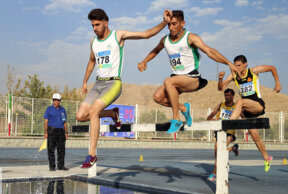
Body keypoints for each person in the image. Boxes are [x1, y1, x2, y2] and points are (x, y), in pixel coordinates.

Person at [76, 8, 172, 168]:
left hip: (113, 84)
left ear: (106, 23)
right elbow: (92, 61)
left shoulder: (118, 36)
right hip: (98, 84)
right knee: (80, 116)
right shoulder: (93, 42)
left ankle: (92, 155)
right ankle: (113, 113)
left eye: (97, 25)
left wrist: (164, 22)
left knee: (93, 112)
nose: (94, 28)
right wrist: (85, 81)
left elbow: (146, 34)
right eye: (92, 25)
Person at [137, 10, 239, 134]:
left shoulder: (190, 38)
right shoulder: (165, 40)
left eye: (174, 24)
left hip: (192, 77)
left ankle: (176, 120)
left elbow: (209, 51)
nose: (171, 27)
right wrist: (144, 61)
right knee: (157, 97)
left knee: (168, 81)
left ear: (182, 23)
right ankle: (184, 108)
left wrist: (228, 63)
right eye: (169, 24)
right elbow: (156, 50)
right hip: (177, 79)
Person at [218, 55, 281, 172]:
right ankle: (267, 157)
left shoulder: (253, 71)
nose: (236, 68)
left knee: (240, 101)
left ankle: (229, 123)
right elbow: (220, 88)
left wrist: (277, 83)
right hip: (246, 111)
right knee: (255, 136)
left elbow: (272, 68)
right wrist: (220, 79)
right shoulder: (233, 75)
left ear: (245, 64)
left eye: (239, 65)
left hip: (257, 105)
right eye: (235, 65)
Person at [206, 88, 239, 181]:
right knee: (217, 152)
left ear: (233, 96)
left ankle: (213, 173)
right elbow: (209, 117)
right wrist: (217, 121)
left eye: (229, 95)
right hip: (220, 131)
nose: (227, 97)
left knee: (220, 151)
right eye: (225, 95)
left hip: (230, 132)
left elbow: (244, 116)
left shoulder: (237, 107)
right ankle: (233, 148)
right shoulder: (221, 105)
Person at [44, 93, 68, 171]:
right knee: (51, 149)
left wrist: (66, 133)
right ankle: (52, 166)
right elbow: (46, 121)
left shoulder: (62, 110)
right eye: (55, 100)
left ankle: (61, 166)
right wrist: (46, 132)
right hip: (52, 130)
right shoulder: (49, 109)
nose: (57, 102)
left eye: (58, 100)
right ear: (53, 101)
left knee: (61, 150)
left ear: (60, 101)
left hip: (61, 131)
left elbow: (64, 122)